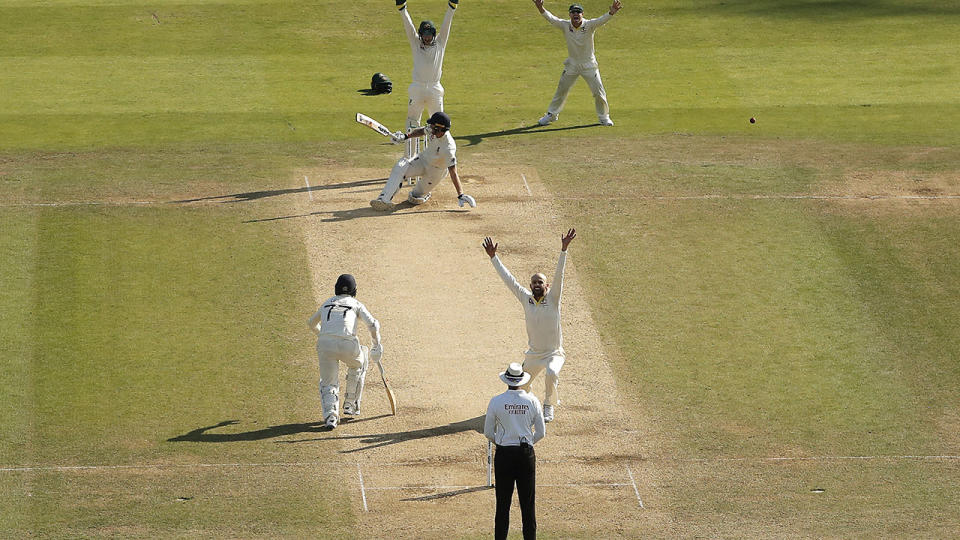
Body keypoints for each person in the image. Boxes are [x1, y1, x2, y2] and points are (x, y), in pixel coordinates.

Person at [482, 229, 576, 423]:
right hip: (533, 354)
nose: (536, 285)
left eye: (540, 282)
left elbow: (560, 275)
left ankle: (548, 405)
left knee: (552, 372)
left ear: (547, 286)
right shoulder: (526, 299)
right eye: (533, 282)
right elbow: (510, 280)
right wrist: (494, 258)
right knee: (520, 387)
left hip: (554, 353)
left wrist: (564, 250)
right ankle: (528, 401)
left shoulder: (554, 298)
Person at [308, 274, 382, 429]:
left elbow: (311, 323)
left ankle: (331, 417)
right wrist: (376, 346)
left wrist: (324, 335)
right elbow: (373, 325)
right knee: (360, 360)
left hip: (325, 344)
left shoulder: (327, 303)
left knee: (328, 382)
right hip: (348, 343)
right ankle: (350, 403)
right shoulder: (355, 303)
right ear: (354, 290)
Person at [532, 0, 623, 127]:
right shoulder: (565, 25)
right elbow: (551, 19)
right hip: (572, 65)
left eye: (578, 12)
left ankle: (604, 117)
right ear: (570, 14)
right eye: (573, 12)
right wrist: (540, 7)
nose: (576, 14)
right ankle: (551, 115)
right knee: (561, 90)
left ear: (582, 14)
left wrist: (611, 12)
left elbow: (602, 20)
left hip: (589, 65)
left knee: (599, 92)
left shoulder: (589, 25)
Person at [484, 363, 546, 540]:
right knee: (528, 506)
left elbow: (488, 432)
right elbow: (541, 433)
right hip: (525, 455)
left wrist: (503, 443)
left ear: (507, 380)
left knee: (502, 505)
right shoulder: (532, 401)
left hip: (504, 455)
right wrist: (527, 444)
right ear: (521, 381)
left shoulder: (496, 401)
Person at [370, 111, 476, 211]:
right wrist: (406, 136)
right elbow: (422, 131)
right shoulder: (432, 129)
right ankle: (383, 199)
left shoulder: (448, 148)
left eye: (433, 126)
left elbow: (453, 172)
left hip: (436, 172)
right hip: (422, 160)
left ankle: (423, 194)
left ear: (440, 129)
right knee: (400, 166)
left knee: (415, 198)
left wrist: (460, 194)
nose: (430, 128)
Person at [396, 0, 460, 162]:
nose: (426, 38)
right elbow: (408, 27)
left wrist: (451, 7)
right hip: (417, 88)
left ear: (433, 34)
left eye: (429, 35)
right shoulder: (415, 44)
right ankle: (409, 159)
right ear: (420, 35)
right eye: (423, 35)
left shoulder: (440, 43)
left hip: (435, 89)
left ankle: (435, 158)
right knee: (412, 123)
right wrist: (402, 9)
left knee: (437, 125)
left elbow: (447, 24)